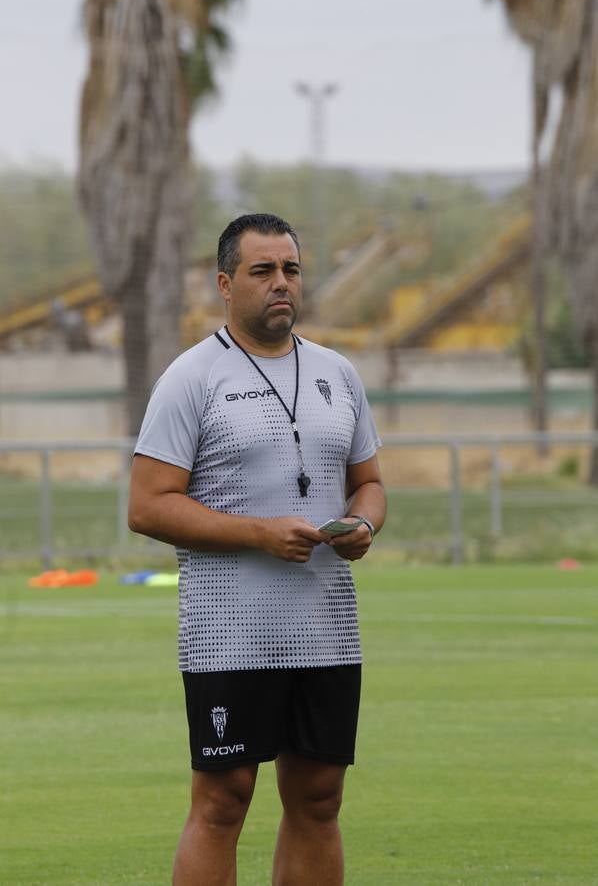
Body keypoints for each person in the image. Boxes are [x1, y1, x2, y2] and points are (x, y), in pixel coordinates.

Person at [128, 213, 386, 886]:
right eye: (263, 271)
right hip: (230, 633)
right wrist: (260, 532)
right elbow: (148, 504)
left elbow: (371, 483)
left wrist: (363, 525)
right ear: (224, 283)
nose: (281, 284)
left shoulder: (338, 373)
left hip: (327, 630)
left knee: (320, 800)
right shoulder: (192, 378)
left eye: (291, 270)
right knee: (222, 802)